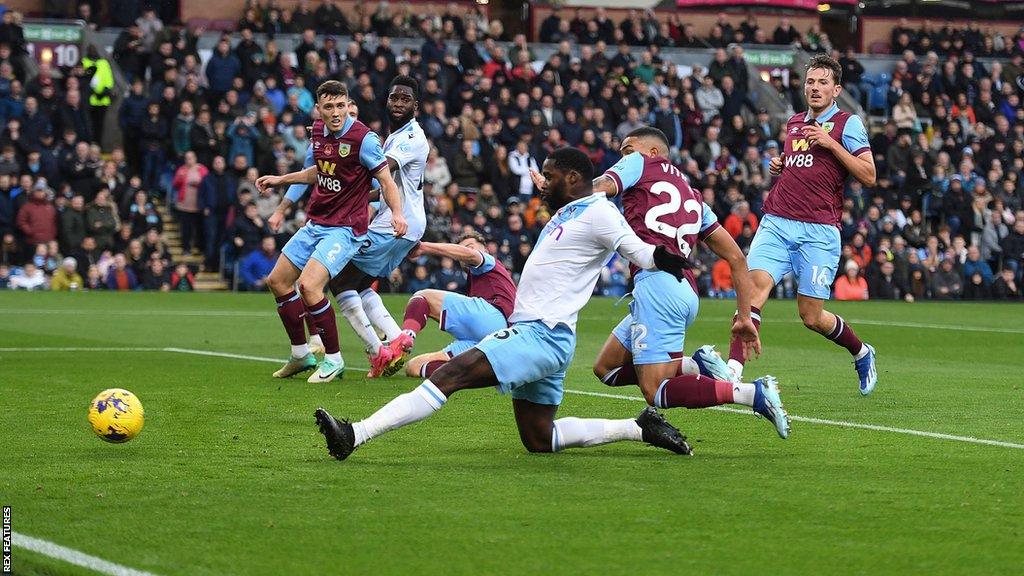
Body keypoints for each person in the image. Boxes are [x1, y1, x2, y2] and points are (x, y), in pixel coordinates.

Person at [314, 147, 696, 460]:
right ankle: (637, 427)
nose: (543, 182)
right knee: (539, 438)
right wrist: (549, 190)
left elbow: (639, 252)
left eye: (551, 175)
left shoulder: (599, 212)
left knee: (449, 375)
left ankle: (356, 433)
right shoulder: (572, 210)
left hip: (540, 333)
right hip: (549, 336)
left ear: (575, 179)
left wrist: (667, 258)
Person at [580, 127, 788, 439]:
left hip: (658, 288)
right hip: (681, 291)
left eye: (627, 149)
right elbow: (736, 257)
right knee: (606, 369)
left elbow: (602, 187)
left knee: (655, 391)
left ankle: (751, 394)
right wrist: (744, 316)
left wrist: (560, 191)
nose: (621, 157)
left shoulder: (639, 164)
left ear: (651, 152)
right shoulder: (692, 196)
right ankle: (697, 365)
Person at [732, 54, 879, 395]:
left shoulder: (848, 123)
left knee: (812, 316)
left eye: (822, 82)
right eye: (810, 82)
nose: (815, 88)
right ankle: (732, 372)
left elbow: (869, 175)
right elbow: (807, 165)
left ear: (836, 89)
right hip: (778, 221)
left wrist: (831, 144)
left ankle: (861, 351)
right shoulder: (795, 122)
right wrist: (782, 166)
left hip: (819, 230)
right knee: (752, 291)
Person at [257, 81, 406, 384]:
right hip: (316, 223)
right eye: (329, 107)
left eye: (340, 106)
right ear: (319, 109)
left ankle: (334, 360)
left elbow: (387, 182)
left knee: (310, 287)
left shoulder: (364, 139)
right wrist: (280, 179)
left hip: (346, 229)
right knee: (278, 281)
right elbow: (318, 171)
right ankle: (301, 354)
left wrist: (398, 213)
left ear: (348, 104)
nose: (335, 112)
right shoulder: (317, 132)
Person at [324, 76, 429, 377]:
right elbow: (381, 186)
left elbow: (382, 172)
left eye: (405, 99)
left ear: (415, 106)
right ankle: (396, 339)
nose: (398, 103)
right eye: (394, 97)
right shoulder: (395, 135)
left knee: (340, 280)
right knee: (354, 284)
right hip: (398, 223)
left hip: (396, 224)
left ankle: (378, 351)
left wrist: (337, 166)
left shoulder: (411, 139)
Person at [395, 231, 517, 379]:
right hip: (495, 342)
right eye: (463, 248)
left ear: (485, 250)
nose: (467, 250)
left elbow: (471, 255)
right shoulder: (478, 279)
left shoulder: (490, 262)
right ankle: (474, 373)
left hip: (496, 321)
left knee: (423, 297)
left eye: (470, 246)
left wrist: (423, 247)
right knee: (414, 367)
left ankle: (402, 340)